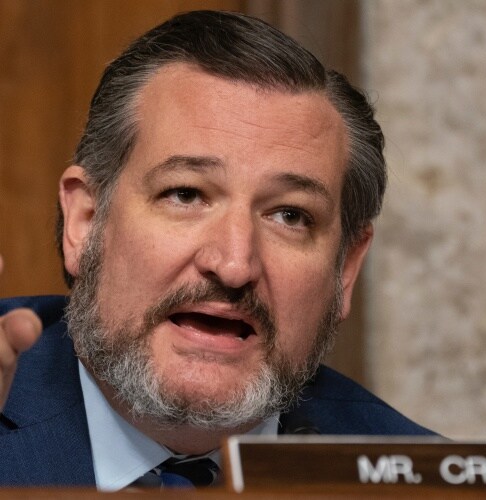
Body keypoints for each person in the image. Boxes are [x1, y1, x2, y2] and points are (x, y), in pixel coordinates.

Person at [0, 10, 433, 489]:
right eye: (186, 195)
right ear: (85, 222)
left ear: (345, 269)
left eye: (290, 215)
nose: (233, 264)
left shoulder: (419, 483)